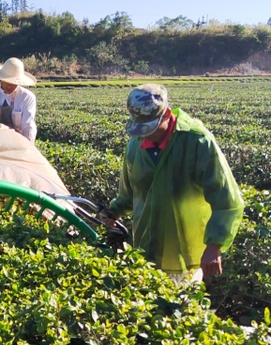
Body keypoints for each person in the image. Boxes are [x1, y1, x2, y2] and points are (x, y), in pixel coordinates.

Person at [103, 84, 244, 284]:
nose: (145, 135)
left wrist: (214, 246)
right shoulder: (135, 145)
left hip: (183, 256)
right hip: (144, 250)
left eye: (150, 128)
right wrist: (113, 212)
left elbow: (227, 200)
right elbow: (129, 193)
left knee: (182, 310)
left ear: (167, 115)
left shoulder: (197, 142)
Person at [0, 57, 38, 143]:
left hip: (17, 142)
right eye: (7, 81)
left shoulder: (27, 97)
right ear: (0, 79)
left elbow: (28, 126)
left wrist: (28, 147)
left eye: (14, 82)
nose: (10, 86)